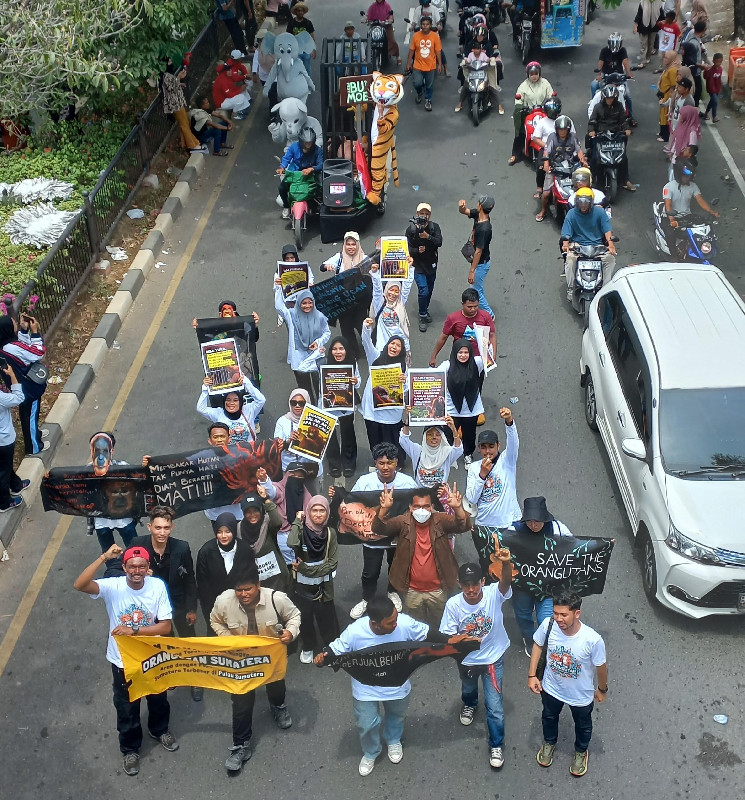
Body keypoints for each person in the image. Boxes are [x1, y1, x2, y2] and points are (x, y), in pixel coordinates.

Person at [314, 595, 460, 775]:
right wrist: (323, 657)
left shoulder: (404, 623)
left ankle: (393, 740)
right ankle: (371, 752)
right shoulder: (354, 632)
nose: (396, 624)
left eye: (396, 619)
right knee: (366, 724)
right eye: (390, 623)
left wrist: (452, 641)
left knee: (396, 717)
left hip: (397, 687)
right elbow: (336, 649)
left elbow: (428, 633)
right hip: (365, 689)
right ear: (374, 624)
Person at [73, 545, 177, 776]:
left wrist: (135, 631)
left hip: (151, 656)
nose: (136, 571)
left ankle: (159, 730)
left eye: (141, 566)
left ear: (148, 568)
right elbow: (79, 584)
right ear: (124, 567)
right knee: (127, 706)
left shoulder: (157, 586)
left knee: (158, 697)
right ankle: (130, 749)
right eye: (132, 566)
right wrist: (102, 557)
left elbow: (166, 626)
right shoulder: (113, 587)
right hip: (122, 661)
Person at [210, 564, 301, 774]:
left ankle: (278, 706)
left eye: (248, 589)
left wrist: (290, 632)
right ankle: (240, 746)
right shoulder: (224, 601)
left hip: (271, 656)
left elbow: (294, 615)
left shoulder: (276, 599)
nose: (243, 594)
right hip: (241, 659)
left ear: (258, 585)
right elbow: (215, 621)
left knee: (276, 686)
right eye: (239, 590)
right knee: (241, 700)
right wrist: (229, 641)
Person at [440, 557, 513, 769]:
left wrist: (506, 565)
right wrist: (462, 639)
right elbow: (447, 636)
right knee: (468, 688)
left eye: (475, 584)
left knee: (495, 707)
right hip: (468, 661)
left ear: (483, 581)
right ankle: (470, 704)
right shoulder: (453, 605)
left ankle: (496, 744)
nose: (471, 590)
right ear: (459, 584)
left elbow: (506, 583)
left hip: (492, 659)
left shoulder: (493, 594)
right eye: (466, 585)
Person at [529, 590, 608, 778]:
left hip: (580, 696)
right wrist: (532, 675)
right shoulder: (548, 625)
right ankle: (549, 743)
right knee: (548, 717)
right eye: (556, 613)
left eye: (564, 614)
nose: (558, 619)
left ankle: (581, 751)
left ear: (577, 613)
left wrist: (602, 689)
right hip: (551, 688)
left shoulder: (593, 639)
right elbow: (538, 645)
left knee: (583, 725)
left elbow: (601, 667)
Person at [373, 483, 471, 627]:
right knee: (416, 625)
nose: (422, 510)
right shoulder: (403, 522)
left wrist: (457, 509)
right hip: (412, 590)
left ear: (432, 507)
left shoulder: (441, 520)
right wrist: (383, 510)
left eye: (426, 506)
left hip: (438, 589)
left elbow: (463, 526)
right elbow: (379, 528)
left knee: (440, 624)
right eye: (417, 507)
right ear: (410, 508)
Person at [129, 508, 199, 693]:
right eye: (158, 527)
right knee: (164, 642)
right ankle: (171, 672)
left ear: (172, 527)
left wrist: (192, 608)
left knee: (188, 641)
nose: (162, 533)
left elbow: (190, 579)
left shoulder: (182, 547)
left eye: (166, 528)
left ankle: (195, 678)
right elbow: (126, 570)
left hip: (178, 602)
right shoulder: (137, 544)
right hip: (153, 607)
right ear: (150, 526)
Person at [346, 442, 417, 619]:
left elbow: (417, 505)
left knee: (395, 567)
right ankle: (366, 598)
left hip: (397, 538)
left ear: (397, 463)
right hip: (372, 540)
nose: (385, 467)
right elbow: (351, 505)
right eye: (381, 463)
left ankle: (393, 592)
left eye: (390, 463)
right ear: (375, 463)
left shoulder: (408, 482)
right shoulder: (364, 482)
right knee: (370, 572)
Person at [504, 497, 572, 656]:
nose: (533, 525)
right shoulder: (514, 530)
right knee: (522, 614)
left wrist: (603, 544)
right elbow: (498, 541)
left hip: (547, 585)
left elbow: (575, 546)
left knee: (546, 620)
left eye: (537, 521)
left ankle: (542, 641)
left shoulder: (557, 528)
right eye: (529, 521)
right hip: (522, 586)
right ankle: (529, 639)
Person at [466, 408, 520, 580]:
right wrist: (482, 475)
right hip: (485, 526)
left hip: (509, 523)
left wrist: (509, 421)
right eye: (483, 447)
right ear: (479, 449)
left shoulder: (507, 460)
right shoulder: (474, 468)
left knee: (511, 564)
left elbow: (514, 443)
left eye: (491, 446)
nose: (487, 451)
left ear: (498, 446)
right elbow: (472, 498)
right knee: (487, 565)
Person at [287, 495, 340, 663]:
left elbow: (332, 563)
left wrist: (306, 569)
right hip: (302, 587)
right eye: (314, 510)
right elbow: (291, 542)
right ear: (308, 512)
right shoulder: (301, 530)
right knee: (305, 618)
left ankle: (330, 646)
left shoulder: (330, 533)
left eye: (322, 510)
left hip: (323, 587)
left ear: (327, 513)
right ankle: (308, 645)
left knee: (326, 618)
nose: (318, 514)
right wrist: (297, 521)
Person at [196, 512, 256, 632]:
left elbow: (252, 578)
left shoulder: (245, 550)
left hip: (242, 606)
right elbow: (203, 586)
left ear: (234, 531)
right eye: (219, 532)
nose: (223, 536)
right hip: (215, 607)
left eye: (227, 531)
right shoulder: (206, 552)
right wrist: (212, 612)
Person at [360, 322, 408, 463]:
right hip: (372, 412)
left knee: (392, 443)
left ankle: (395, 464)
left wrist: (403, 383)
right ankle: (379, 463)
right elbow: (366, 342)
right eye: (392, 343)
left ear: (402, 350)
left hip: (391, 414)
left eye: (398, 346)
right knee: (375, 442)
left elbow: (405, 393)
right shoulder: (375, 357)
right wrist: (366, 328)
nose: (394, 347)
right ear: (387, 345)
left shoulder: (404, 368)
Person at [0, 313, 47, 455]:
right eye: (13, 322)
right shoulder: (11, 347)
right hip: (28, 387)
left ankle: (35, 434)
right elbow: (37, 353)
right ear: (8, 328)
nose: (16, 322)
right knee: (30, 416)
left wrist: (24, 330)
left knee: (28, 413)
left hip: (19, 385)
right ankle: (33, 447)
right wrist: (35, 332)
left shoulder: (5, 346)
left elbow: (23, 350)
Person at [83, 431, 138, 549]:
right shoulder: (85, 472)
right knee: (108, 552)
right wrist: (51, 477)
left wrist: (146, 465)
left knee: (134, 548)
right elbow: (71, 485)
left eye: (105, 451)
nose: (101, 456)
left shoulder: (123, 467)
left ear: (112, 451)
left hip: (123, 517)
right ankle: (112, 568)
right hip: (101, 519)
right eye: (96, 451)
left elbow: (140, 480)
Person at [274, 287, 330, 402]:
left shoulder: (319, 316)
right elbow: (279, 307)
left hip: (315, 356)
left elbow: (327, 332)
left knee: (319, 385)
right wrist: (278, 288)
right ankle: (309, 407)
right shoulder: (291, 315)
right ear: (299, 303)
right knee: (304, 387)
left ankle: (319, 407)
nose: (307, 306)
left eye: (310, 303)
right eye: (304, 303)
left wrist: (318, 342)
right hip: (298, 357)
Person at [561, 188, 617, 295]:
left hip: (598, 246)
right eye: (580, 202)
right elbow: (566, 232)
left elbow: (607, 229)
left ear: (591, 202)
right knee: (570, 260)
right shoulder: (571, 214)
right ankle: (571, 288)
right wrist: (565, 244)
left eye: (585, 202)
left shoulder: (600, 212)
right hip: (577, 246)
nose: (583, 205)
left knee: (610, 260)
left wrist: (611, 244)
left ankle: (606, 290)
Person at [437, 339, 485, 465]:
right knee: (447, 434)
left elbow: (490, 358)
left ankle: (467, 454)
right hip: (451, 408)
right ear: (454, 353)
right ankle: (447, 455)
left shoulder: (477, 363)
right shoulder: (447, 365)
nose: (463, 355)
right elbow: (432, 376)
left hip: (471, 409)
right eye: (460, 352)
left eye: (466, 352)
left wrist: (485, 343)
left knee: (469, 435)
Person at [428, 288, 496, 371]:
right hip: (459, 358)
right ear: (462, 304)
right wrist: (433, 356)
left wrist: (493, 356)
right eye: (469, 307)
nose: (473, 309)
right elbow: (443, 338)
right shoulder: (453, 318)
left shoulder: (485, 316)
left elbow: (492, 335)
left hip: (479, 358)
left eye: (476, 306)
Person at [321, 231, 367, 354]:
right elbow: (323, 266)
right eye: (348, 244)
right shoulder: (339, 257)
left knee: (364, 328)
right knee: (346, 330)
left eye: (353, 244)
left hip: (359, 302)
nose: (351, 247)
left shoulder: (365, 259)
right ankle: (353, 354)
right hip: (343, 302)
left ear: (358, 245)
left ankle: (370, 351)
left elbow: (375, 273)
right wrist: (328, 266)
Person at [257, 461, 312, 564]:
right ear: (286, 475)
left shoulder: (305, 494)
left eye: (300, 476)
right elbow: (271, 491)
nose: (296, 478)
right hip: (281, 536)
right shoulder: (279, 489)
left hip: (301, 535)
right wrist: (264, 480)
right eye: (293, 475)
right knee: (286, 565)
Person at [661, 159, 719, 256]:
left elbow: (700, 200)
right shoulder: (668, 187)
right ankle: (674, 257)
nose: (688, 178)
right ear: (679, 175)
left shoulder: (693, 186)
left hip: (686, 216)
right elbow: (668, 206)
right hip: (669, 217)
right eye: (685, 176)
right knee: (670, 235)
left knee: (699, 231)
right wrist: (672, 220)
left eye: (689, 176)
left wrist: (711, 211)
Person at [320, 337, 359, 478]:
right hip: (328, 406)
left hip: (346, 405)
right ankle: (334, 464)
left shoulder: (352, 362)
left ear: (346, 350)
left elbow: (359, 382)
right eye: (335, 349)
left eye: (341, 348)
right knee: (330, 436)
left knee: (348, 434)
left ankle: (349, 463)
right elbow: (305, 366)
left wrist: (355, 381)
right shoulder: (323, 363)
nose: (338, 352)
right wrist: (318, 353)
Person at [535, 115, 586, 223]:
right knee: (546, 193)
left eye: (565, 130)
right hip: (555, 167)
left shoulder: (573, 137)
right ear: (557, 129)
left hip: (570, 167)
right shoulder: (552, 137)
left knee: (582, 187)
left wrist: (583, 160)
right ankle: (543, 210)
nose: (562, 132)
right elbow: (546, 152)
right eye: (560, 130)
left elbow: (579, 150)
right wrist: (546, 164)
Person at [239, 489, 291, 591]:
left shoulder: (267, 522)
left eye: (255, 510)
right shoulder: (239, 528)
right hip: (255, 582)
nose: (252, 514)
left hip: (276, 581)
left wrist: (266, 499)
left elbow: (277, 522)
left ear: (261, 510)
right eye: (248, 512)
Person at [587, 85, 636, 192]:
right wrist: (592, 131)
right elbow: (592, 121)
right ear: (604, 98)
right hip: (601, 135)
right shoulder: (597, 107)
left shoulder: (619, 106)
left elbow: (623, 121)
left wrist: (626, 129)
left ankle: (625, 180)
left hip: (616, 135)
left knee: (623, 158)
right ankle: (594, 180)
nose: (610, 100)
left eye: (612, 98)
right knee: (596, 158)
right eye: (608, 98)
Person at [405, 202, 442, 332]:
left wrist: (428, 237)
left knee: (430, 289)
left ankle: (425, 310)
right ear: (417, 214)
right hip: (417, 266)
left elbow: (439, 242)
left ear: (430, 215)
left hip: (431, 264)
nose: (424, 216)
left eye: (426, 214)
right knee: (423, 290)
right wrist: (416, 251)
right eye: (422, 214)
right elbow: (406, 248)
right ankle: (422, 315)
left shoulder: (434, 227)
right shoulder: (411, 230)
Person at [197, 373, 265, 444]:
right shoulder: (219, 413)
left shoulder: (249, 410)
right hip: (227, 454)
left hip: (248, 452)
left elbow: (261, 400)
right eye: (228, 400)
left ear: (241, 402)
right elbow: (201, 408)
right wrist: (205, 388)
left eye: (235, 400)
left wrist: (246, 382)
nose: (231, 403)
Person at [399, 414, 463, 488]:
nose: (434, 437)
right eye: (430, 434)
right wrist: (407, 422)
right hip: (421, 495)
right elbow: (403, 440)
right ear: (424, 437)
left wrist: (453, 429)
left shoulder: (446, 453)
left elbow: (458, 449)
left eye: (438, 435)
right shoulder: (417, 451)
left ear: (442, 437)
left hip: (441, 494)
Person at [509, 62, 553, 165]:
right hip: (528, 113)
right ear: (528, 74)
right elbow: (518, 99)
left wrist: (550, 103)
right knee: (521, 132)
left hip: (543, 112)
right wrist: (520, 106)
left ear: (539, 73)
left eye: (536, 73)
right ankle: (515, 154)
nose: (534, 76)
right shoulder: (523, 86)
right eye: (532, 74)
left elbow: (551, 95)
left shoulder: (545, 83)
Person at [458, 195, 494, 320]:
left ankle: (489, 314)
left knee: (475, 290)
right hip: (480, 262)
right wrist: (461, 207)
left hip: (481, 264)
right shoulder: (478, 215)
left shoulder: (484, 229)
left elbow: (478, 251)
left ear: (480, 206)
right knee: (479, 288)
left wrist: (472, 271)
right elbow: (465, 211)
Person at [275, 126, 323, 219]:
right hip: (295, 173)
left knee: (321, 188)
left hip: (311, 175)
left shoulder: (318, 150)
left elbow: (321, 165)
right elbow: (286, 158)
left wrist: (311, 169)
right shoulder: (294, 147)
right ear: (301, 141)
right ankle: (286, 206)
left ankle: (317, 206)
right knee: (281, 188)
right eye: (306, 142)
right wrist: (282, 167)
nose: (308, 144)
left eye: (310, 142)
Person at [590, 32, 636, 124]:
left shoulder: (622, 50)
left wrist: (629, 73)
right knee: (594, 85)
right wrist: (599, 74)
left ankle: (631, 117)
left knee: (627, 96)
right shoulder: (604, 51)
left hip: (619, 77)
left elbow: (625, 61)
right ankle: (593, 109)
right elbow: (600, 62)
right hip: (606, 75)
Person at [161, 59, 205, 153]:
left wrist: (179, 81)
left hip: (178, 102)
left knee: (186, 122)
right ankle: (192, 145)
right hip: (175, 104)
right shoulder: (165, 75)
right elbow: (170, 88)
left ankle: (186, 142)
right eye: (169, 62)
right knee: (184, 124)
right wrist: (179, 78)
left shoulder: (168, 74)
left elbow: (172, 85)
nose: (171, 63)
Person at [370, 262, 413, 356]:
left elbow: (406, 288)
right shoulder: (380, 303)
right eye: (391, 289)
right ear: (386, 290)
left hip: (399, 346)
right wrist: (375, 273)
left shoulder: (400, 303)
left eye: (397, 291)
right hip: (382, 348)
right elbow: (377, 290)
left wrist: (409, 269)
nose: (393, 294)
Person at [0, 360, 25, 513]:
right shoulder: (1, 398)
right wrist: (12, 375)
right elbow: (19, 397)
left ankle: (16, 485)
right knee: (3, 471)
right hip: (4, 440)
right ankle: (3, 503)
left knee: (5, 466)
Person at [529, 96, 564, 201]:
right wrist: (546, 146)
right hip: (546, 149)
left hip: (563, 148)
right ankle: (540, 188)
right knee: (540, 168)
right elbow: (535, 138)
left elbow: (572, 136)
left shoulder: (564, 120)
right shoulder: (542, 122)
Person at [406, 16, 442, 112]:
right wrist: (408, 63)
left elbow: (438, 51)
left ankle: (428, 100)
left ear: (430, 25)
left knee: (429, 85)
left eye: (427, 24)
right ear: (420, 25)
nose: (425, 26)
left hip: (431, 66)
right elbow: (411, 50)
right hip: (417, 65)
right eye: (423, 24)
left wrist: (440, 64)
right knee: (417, 83)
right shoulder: (416, 36)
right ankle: (419, 93)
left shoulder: (435, 36)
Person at [665, 104, 701, 176]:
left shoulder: (692, 132)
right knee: (673, 177)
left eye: (682, 115)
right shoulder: (681, 125)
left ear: (688, 116)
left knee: (681, 178)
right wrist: (672, 151)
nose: (680, 117)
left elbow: (691, 149)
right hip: (676, 158)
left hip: (683, 161)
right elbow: (676, 140)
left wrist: (683, 157)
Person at [366, 0, 401, 66]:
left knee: (391, 40)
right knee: (369, 40)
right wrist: (366, 20)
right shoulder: (372, 6)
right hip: (375, 27)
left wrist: (390, 20)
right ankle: (367, 55)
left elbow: (390, 16)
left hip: (386, 27)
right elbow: (368, 16)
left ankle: (397, 56)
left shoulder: (386, 5)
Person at [681, 20, 707, 109]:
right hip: (693, 72)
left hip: (696, 71)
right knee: (695, 92)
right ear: (704, 30)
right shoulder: (693, 43)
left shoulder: (696, 39)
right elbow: (688, 59)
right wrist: (700, 65)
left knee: (698, 92)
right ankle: (692, 111)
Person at [656, 49, 682, 141]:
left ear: (671, 59)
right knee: (662, 114)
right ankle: (662, 132)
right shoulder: (669, 67)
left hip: (668, 95)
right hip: (664, 94)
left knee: (665, 115)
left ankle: (665, 136)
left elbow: (673, 84)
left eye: (666, 58)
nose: (664, 59)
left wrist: (669, 96)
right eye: (664, 57)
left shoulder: (672, 70)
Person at [286, 3, 315, 76]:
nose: (300, 12)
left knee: (307, 68)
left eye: (301, 11)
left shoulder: (308, 23)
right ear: (296, 12)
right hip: (296, 50)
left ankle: (308, 85)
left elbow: (311, 36)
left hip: (306, 50)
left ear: (304, 12)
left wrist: (313, 49)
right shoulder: (291, 23)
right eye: (298, 11)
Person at [633, 1, 664, 69]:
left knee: (651, 44)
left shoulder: (658, 3)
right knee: (643, 45)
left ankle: (648, 57)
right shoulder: (643, 2)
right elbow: (639, 14)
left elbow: (662, 16)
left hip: (654, 27)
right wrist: (635, 26)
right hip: (643, 27)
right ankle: (643, 61)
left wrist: (663, 23)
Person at [703, 53, 723, 122]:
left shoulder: (720, 69)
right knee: (715, 101)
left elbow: (719, 79)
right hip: (711, 89)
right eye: (717, 62)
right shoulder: (710, 69)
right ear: (713, 61)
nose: (718, 63)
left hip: (717, 88)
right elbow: (705, 77)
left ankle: (706, 112)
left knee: (712, 102)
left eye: (720, 62)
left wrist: (720, 88)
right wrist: (705, 70)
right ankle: (714, 116)